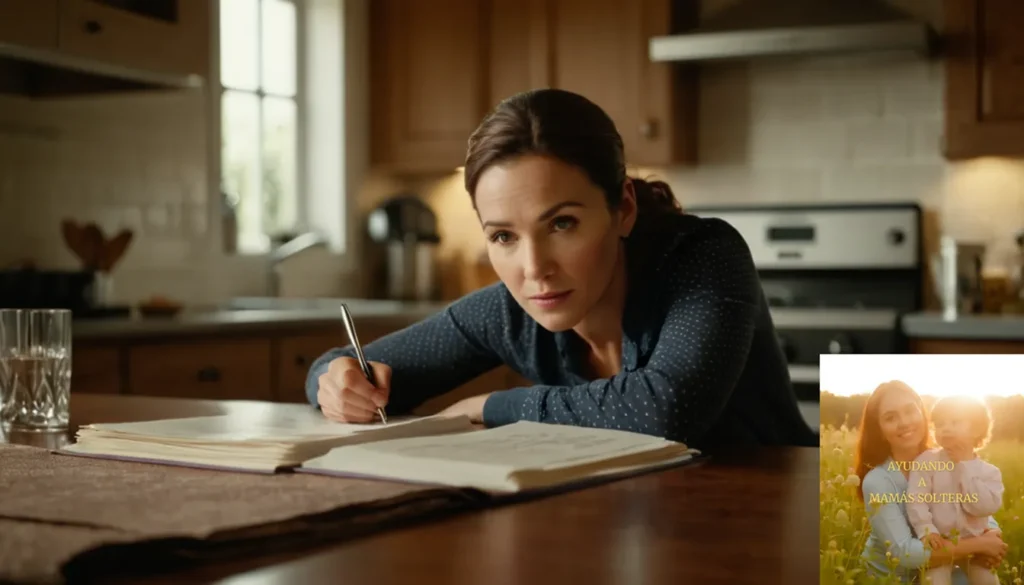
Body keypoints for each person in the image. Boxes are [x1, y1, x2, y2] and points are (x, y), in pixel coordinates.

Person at [306, 88, 817, 449]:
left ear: (623, 209)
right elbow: (341, 365)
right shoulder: (508, 313)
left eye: (562, 224)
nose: (534, 269)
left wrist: (491, 406)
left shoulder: (705, 256)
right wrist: (336, 384)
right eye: (503, 236)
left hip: (800, 523)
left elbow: (665, 408)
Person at [855, 381, 1008, 584]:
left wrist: (993, 534)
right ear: (879, 430)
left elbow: (973, 507)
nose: (904, 422)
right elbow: (905, 553)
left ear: (923, 414)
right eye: (890, 418)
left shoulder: (947, 457)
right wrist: (980, 544)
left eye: (910, 411)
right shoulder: (878, 481)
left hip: (946, 561)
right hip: (895, 578)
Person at [906, 395, 1004, 585]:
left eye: (955, 422)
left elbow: (984, 507)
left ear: (976, 429)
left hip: (975, 545)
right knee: (934, 581)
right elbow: (916, 499)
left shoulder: (989, 472)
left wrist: (964, 465)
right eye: (940, 424)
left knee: (987, 580)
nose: (946, 428)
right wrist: (926, 530)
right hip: (940, 543)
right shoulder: (926, 462)